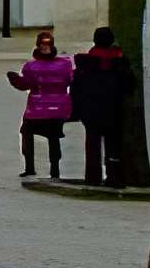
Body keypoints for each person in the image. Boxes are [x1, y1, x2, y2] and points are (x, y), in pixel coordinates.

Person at [69, 26, 132, 186]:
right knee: (114, 145)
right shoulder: (120, 63)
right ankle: (115, 176)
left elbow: (76, 89)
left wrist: (76, 111)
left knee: (92, 145)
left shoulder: (85, 64)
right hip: (114, 109)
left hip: (91, 110)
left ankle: (92, 177)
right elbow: (130, 86)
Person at [9, 29, 74, 181]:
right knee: (54, 137)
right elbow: (70, 80)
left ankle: (29, 168)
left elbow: (25, 84)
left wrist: (14, 79)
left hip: (36, 109)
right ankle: (55, 170)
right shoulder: (65, 64)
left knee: (26, 132)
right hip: (58, 108)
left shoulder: (31, 67)